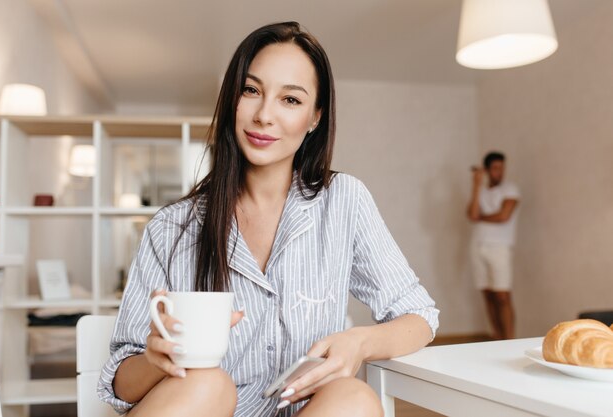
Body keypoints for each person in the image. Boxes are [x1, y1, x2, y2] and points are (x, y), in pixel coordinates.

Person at [98, 21, 439, 417]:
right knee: (209, 384)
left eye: (290, 100)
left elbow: (420, 316)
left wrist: (359, 342)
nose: (264, 115)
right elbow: (120, 381)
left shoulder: (345, 201)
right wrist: (154, 360)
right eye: (251, 90)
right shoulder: (173, 227)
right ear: (232, 100)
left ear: (314, 117)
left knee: (354, 397)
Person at [467, 151, 520, 340]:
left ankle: (509, 338)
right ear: (488, 170)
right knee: (487, 294)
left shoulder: (510, 189)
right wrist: (476, 185)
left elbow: (503, 216)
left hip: (500, 247)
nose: (500, 172)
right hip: (478, 246)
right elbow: (471, 214)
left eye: (502, 168)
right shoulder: (480, 191)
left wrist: (480, 217)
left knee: (502, 296)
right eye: (496, 168)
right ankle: (497, 336)